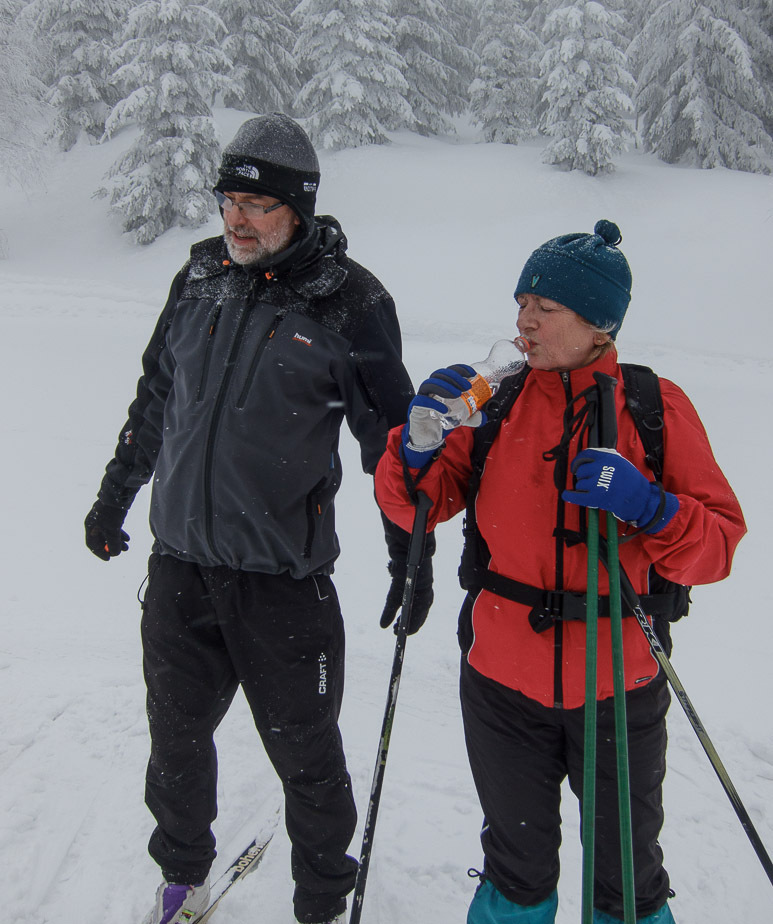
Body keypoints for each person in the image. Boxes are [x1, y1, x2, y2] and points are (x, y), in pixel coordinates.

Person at [84, 113, 434, 924]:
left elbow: (390, 445)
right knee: (174, 745)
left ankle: (321, 899)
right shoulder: (200, 273)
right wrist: (116, 493)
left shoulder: (351, 301)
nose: (235, 219)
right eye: (227, 199)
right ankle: (181, 879)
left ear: (299, 210)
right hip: (180, 569)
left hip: (282, 582)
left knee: (307, 760)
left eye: (257, 204)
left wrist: (405, 558)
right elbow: (156, 395)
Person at [375, 220, 747, 924]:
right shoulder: (497, 400)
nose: (524, 322)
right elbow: (416, 508)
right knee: (515, 871)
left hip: (618, 681)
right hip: (499, 682)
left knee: (625, 882)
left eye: (544, 309)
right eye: (520, 304)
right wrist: (416, 448)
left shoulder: (652, 407)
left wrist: (648, 505)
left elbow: (717, 546)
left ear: (598, 323)